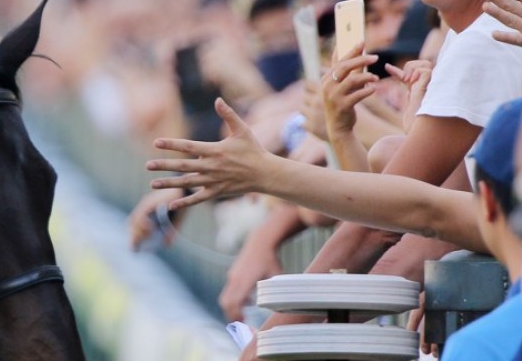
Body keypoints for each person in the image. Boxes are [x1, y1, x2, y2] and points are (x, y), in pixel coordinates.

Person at [224, 0, 522, 359]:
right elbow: (408, 228)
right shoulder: (467, 31)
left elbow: (380, 224)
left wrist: (266, 343)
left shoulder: (487, 38)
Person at [145, 96, 522, 359]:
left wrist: (267, 174)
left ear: (486, 201)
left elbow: (420, 210)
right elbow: (421, 209)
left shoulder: (485, 346)